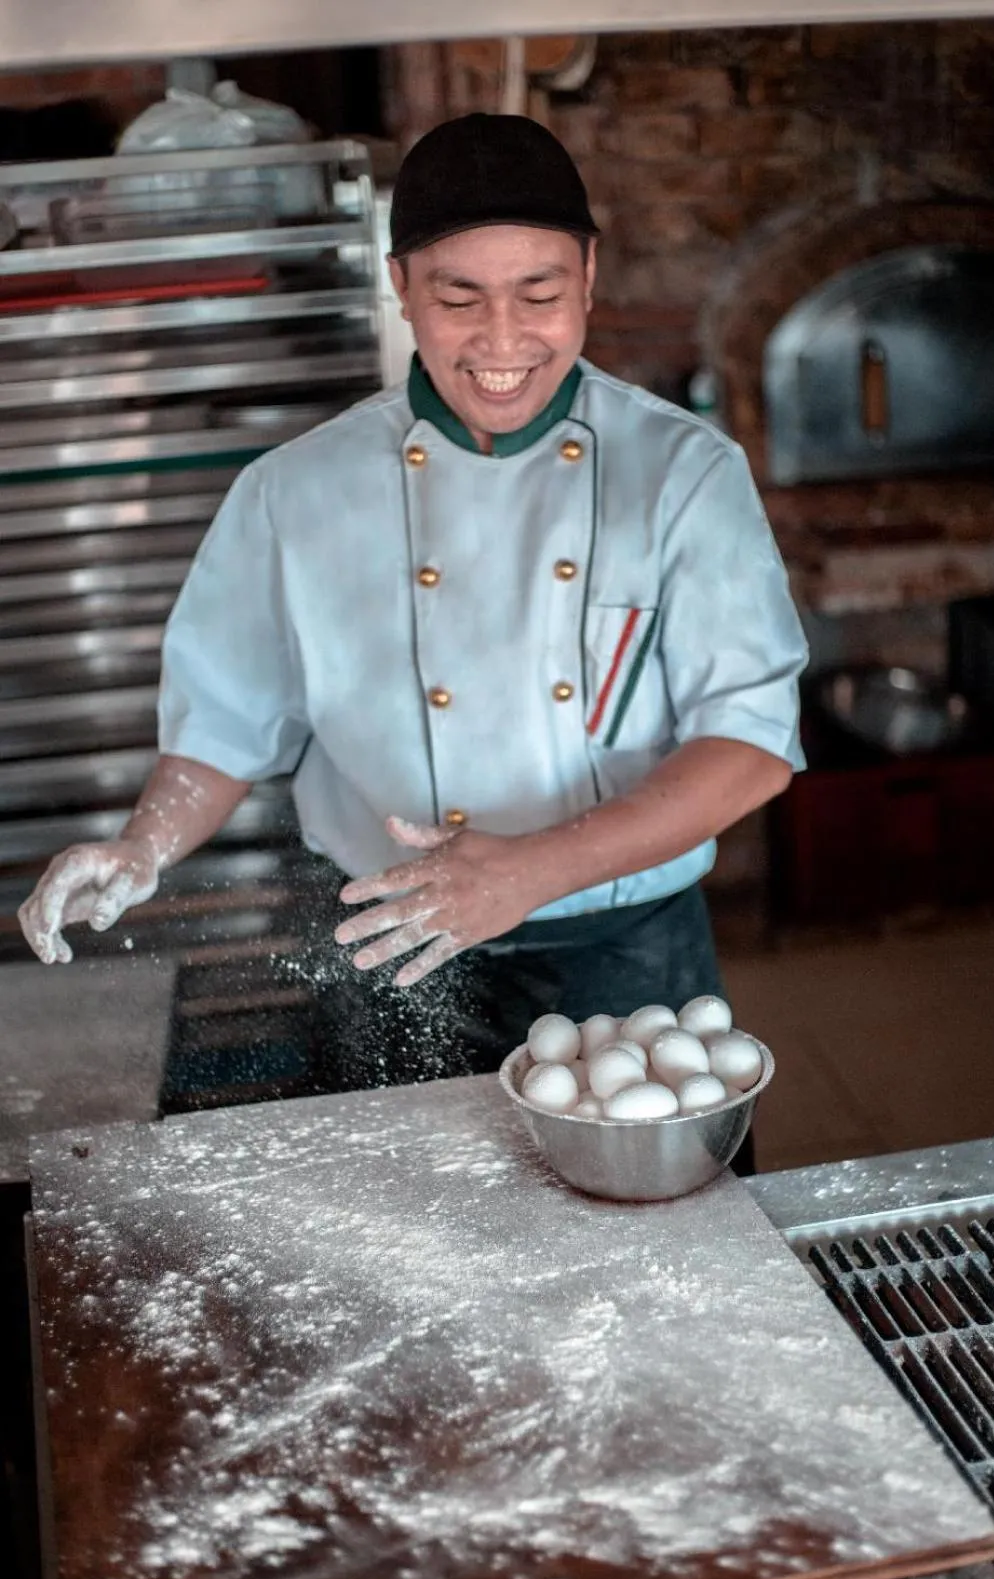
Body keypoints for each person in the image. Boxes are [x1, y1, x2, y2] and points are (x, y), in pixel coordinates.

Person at [18, 113, 807, 1113]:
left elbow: (751, 743)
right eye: (458, 297)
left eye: (542, 295)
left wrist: (529, 871)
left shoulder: (684, 475)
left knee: (660, 1240)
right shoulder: (294, 492)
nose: (505, 341)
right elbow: (225, 723)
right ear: (401, 286)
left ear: (591, 278)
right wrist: (141, 846)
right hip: (387, 947)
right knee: (409, 1248)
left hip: (621, 952)